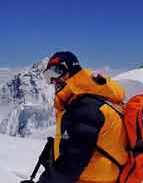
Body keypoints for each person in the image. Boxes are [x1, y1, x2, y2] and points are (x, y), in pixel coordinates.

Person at [38, 51, 128, 183]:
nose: (53, 81)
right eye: (48, 76)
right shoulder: (91, 102)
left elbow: (71, 164)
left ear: (72, 70)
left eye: (56, 72)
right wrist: (56, 151)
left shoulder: (86, 107)